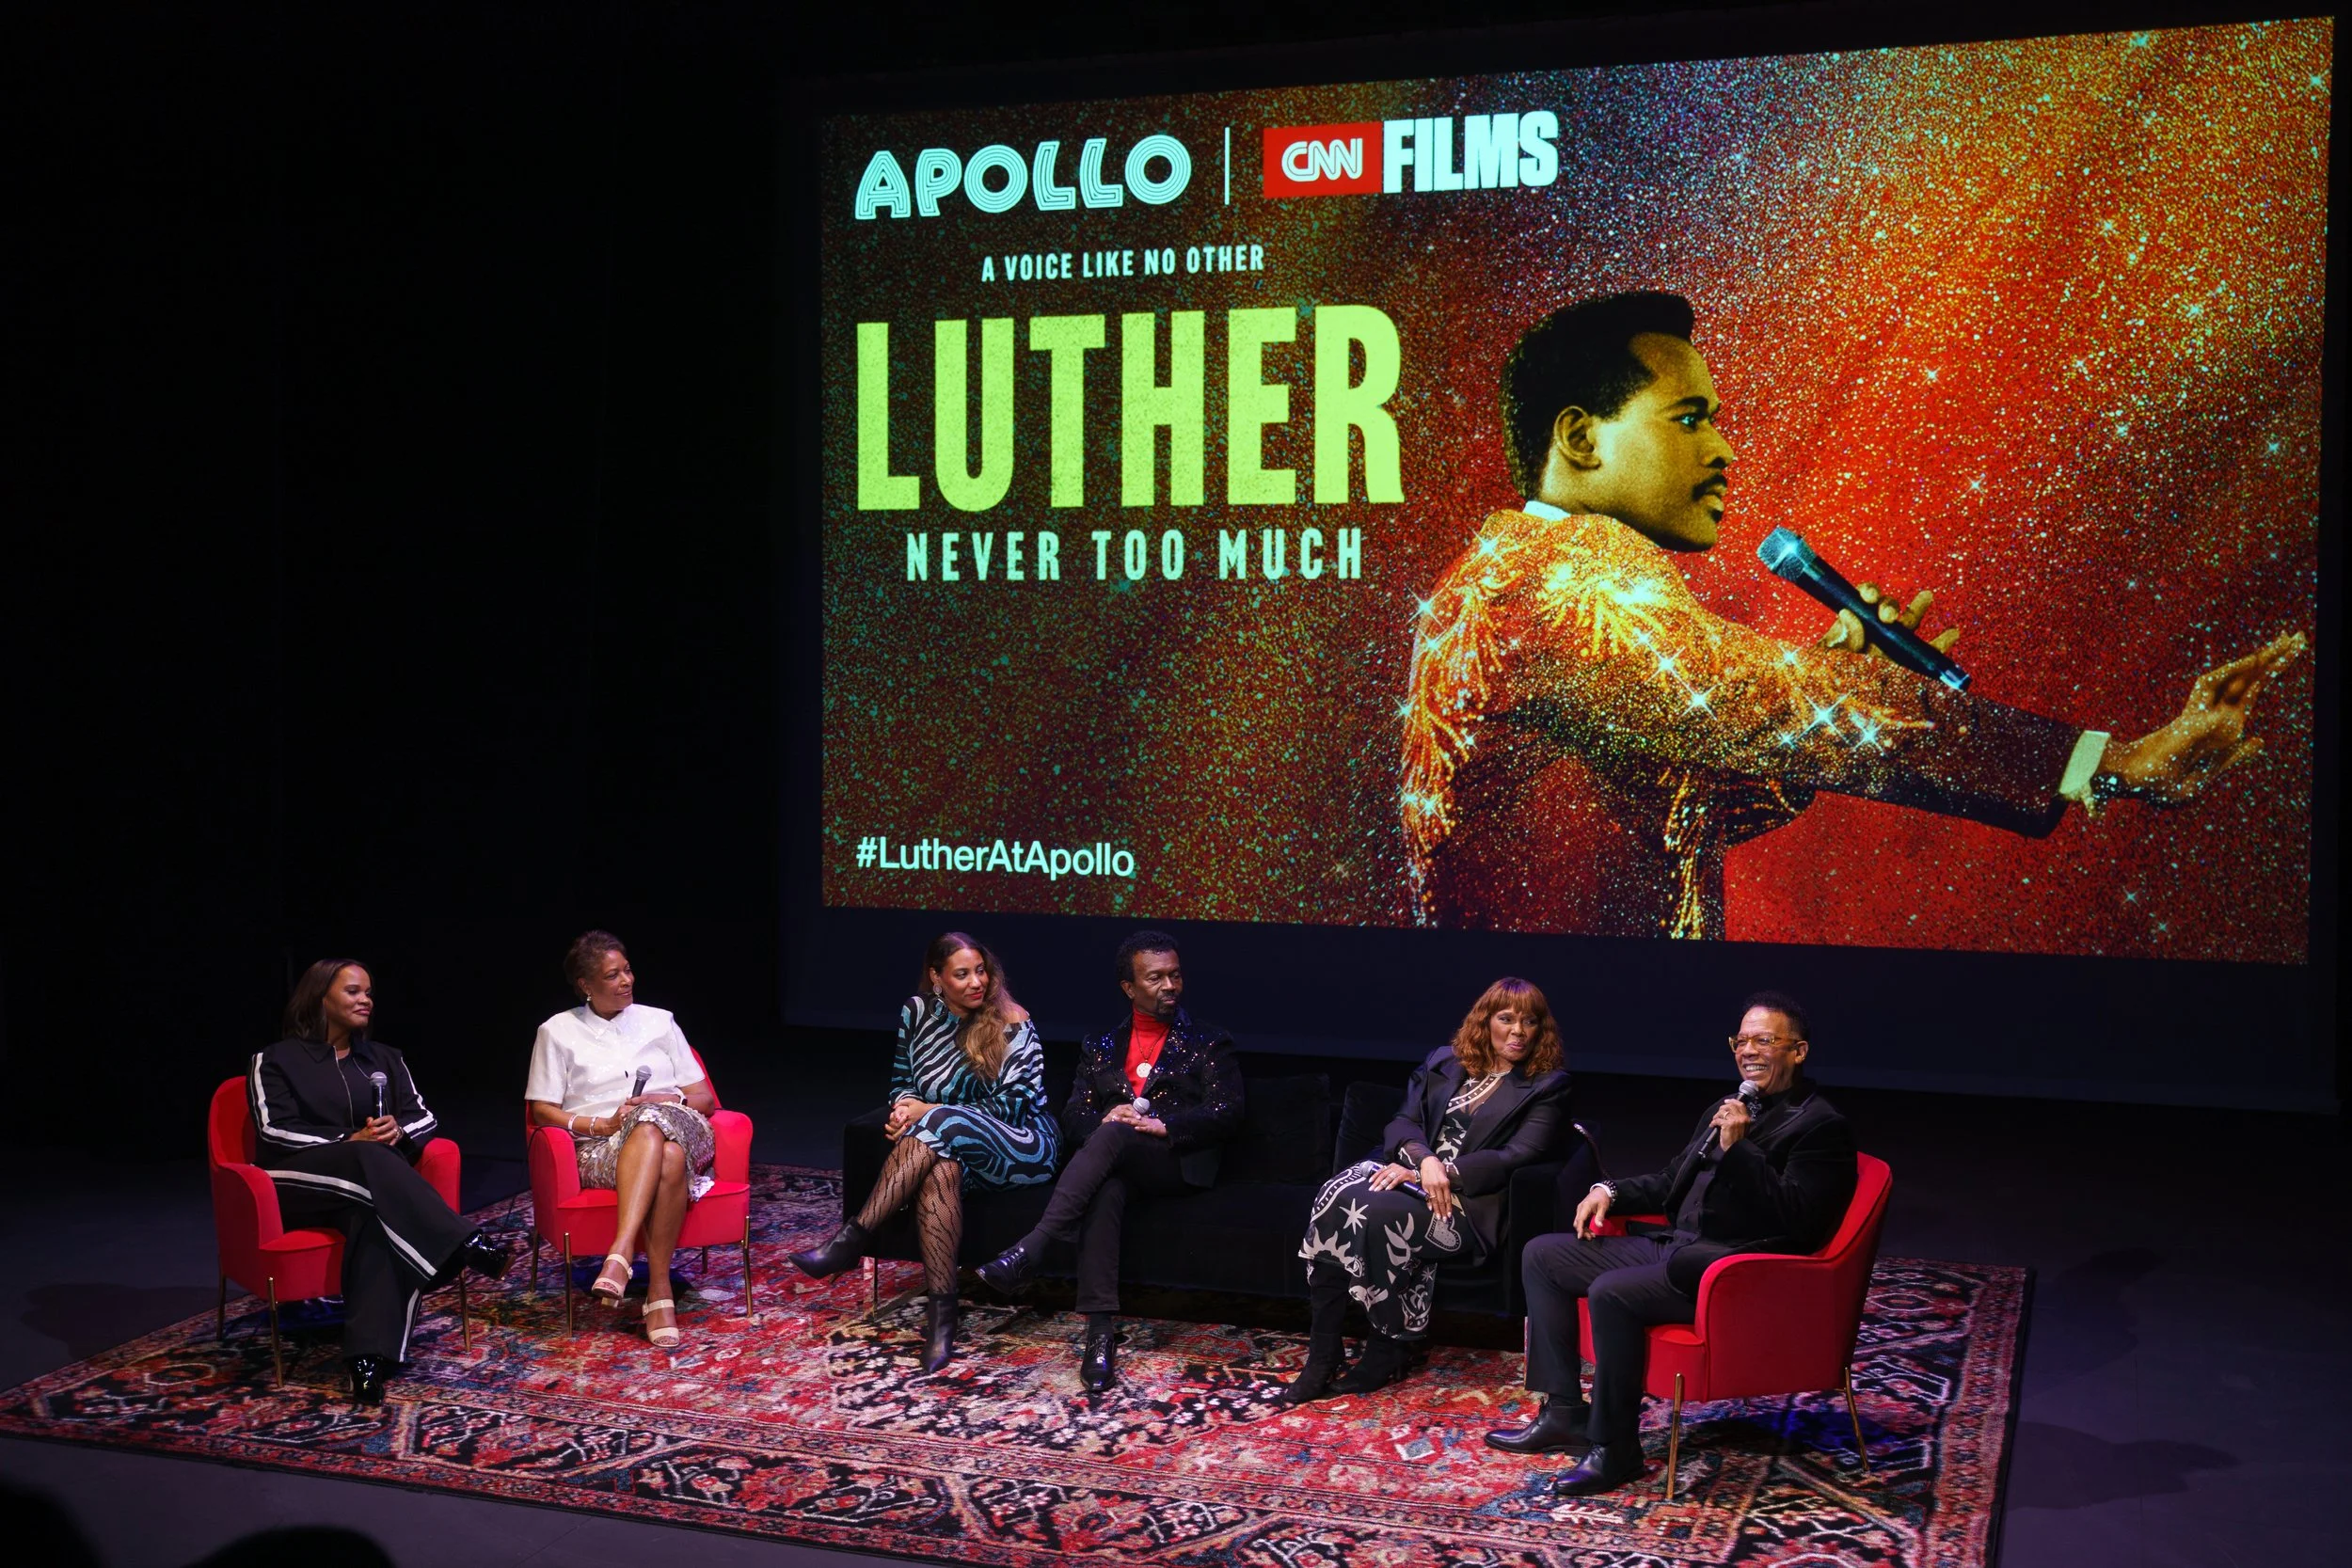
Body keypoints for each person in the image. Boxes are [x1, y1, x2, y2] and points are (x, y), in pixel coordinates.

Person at [1401, 291, 2307, 937]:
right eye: (1688, 419)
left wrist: (1835, 670)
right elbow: (1776, 712)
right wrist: (2117, 763)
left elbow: (1692, 806)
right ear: (1580, 438)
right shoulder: (1558, 577)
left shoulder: (1499, 574)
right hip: (1567, 1045)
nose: (1723, 449)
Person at [1486, 990, 1856, 1496]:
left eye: (1764, 1040)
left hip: (1726, 1269)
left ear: (1799, 1051)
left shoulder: (1820, 1127)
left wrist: (1741, 1150)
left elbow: (1801, 1222)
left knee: (1612, 1292)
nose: (1748, 1050)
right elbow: (1670, 1181)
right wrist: (1608, 1190)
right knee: (1543, 1255)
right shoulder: (1726, 1109)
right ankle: (1565, 1412)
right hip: (1675, 1244)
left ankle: (1615, 1450)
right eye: (1740, 1040)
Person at [1282, 977, 1573, 1404]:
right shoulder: (1446, 1062)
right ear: (1485, 1021)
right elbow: (1402, 1122)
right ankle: (1323, 1353)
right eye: (1506, 1019)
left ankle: (1388, 1346)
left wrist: (1441, 1173)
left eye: (1529, 1022)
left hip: (1466, 1204)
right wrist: (1423, 1162)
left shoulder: (1548, 1085)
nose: (1518, 1031)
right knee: (1336, 1198)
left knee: (1375, 1214)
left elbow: (1519, 1154)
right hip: (1416, 1174)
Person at [978, 930, 1243, 1392]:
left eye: (1175, 975)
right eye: (1156, 977)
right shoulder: (1100, 1044)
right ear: (1129, 987)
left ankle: (1033, 1248)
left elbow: (1227, 1111)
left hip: (1176, 1162)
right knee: (1106, 1185)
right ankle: (1100, 1333)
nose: (1169, 986)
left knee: (1116, 1138)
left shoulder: (1209, 1041)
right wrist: (1104, 1116)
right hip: (1119, 1162)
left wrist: (1165, 1125)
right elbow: (1073, 1117)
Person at [787, 932, 1058, 1371]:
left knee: (938, 1123)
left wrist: (926, 1111)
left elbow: (1012, 1106)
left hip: (1021, 1143)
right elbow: (903, 1081)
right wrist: (900, 1111)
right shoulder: (916, 1014)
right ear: (936, 978)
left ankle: (853, 1237)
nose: (977, 983)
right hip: (949, 1144)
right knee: (940, 1172)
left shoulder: (1012, 1021)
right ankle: (941, 1316)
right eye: (962, 974)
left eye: (981, 971)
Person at [248, 958, 509, 1405]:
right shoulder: (276, 1059)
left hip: (365, 1188)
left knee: (374, 1219)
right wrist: (348, 1140)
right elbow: (274, 1130)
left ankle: (366, 1361)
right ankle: (462, 1242)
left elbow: (423, 1115)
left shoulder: (384, 1058)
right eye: (353, 991)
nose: (365, 1000)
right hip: (294, 1181)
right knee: (370, 1154)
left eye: (368, 992)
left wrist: (399, 1132)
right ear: (320, 997)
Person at [524, 931, 720, 1350]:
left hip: (684, 1125)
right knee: (663, 1153)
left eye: (627, 970)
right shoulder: (557, 1032)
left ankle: (621, 1251)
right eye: (612, 976)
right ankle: (659, 1292)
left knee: (651, 1119)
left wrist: (671, 1098)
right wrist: (602, 1124)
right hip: (604, 1146)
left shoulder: (659, 1021)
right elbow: (542, 1109)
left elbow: (704, 1098)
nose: (626, 980)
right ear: (586, 986)